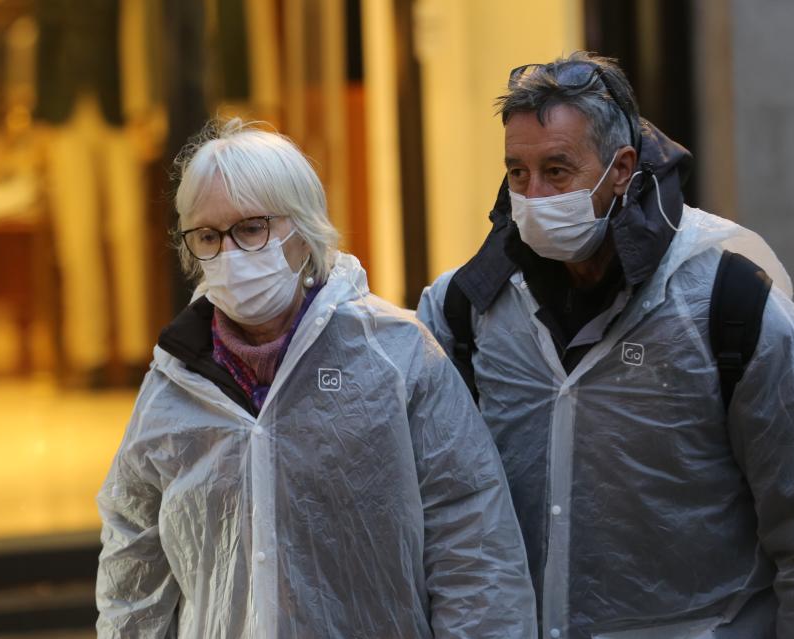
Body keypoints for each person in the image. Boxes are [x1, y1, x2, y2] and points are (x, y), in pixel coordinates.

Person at [417, 52, 794, 638]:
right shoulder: (464, 311)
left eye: (557, 171)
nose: (532, 196)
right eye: (517, 173)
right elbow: (436, 527)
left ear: (621, 167)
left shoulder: (728, 309)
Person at [96, 119, 536, 638]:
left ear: (303, 232)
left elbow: (472, 537)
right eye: (209, 237)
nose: (230, 254)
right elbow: (133, 560)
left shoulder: (395, 354)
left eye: (252, 228)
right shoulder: (176, 379)